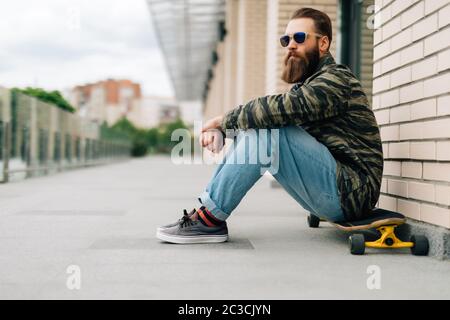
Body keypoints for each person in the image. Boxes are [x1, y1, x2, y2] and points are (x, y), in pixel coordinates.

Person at [156, 7, 383, 244]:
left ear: (323, 43)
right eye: (286, 40)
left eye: (300, 38)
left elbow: (281, 108)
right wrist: (224, 130)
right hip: (334, 190)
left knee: (267, 129)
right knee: (262, 126)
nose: (290, 45)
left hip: (352, 192)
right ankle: (207, 214)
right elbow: (270, 115)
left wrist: (222, 121)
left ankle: (209, 220)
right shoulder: (309, 85)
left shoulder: (336, 80)